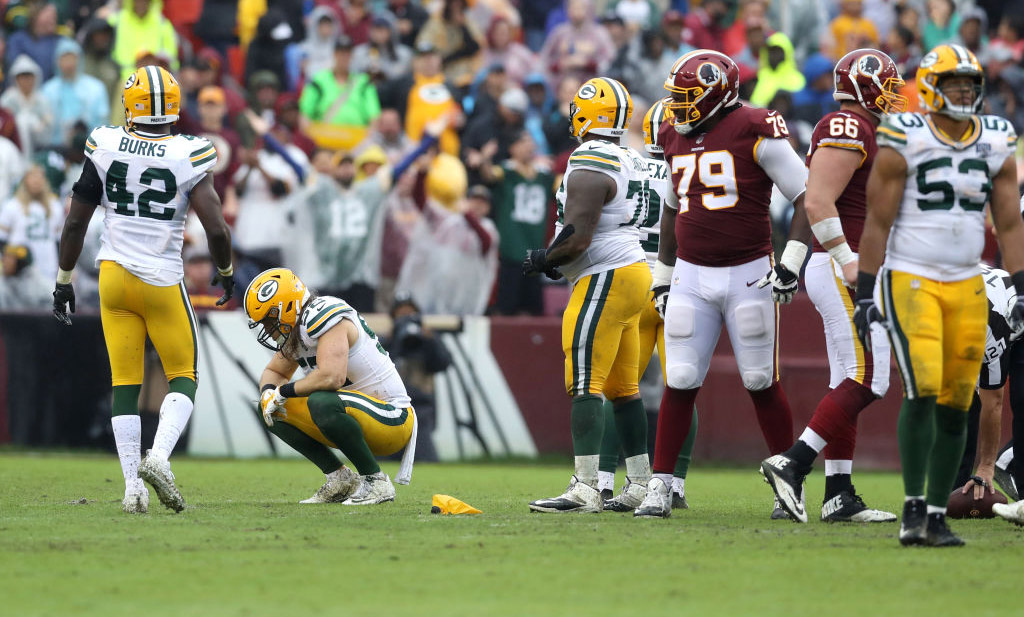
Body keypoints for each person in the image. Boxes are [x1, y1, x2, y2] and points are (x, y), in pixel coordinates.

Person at [854, 44, 1024, 547]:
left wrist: (1020, 280)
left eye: (971, 84)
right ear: (930, 87)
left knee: (956, 401)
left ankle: (934, 513)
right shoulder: (903, 132)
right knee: (924, 389)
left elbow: (1010, 220)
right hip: (912, 277)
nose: (965, 92)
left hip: (969, 279)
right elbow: (877, 220)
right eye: (955, 83)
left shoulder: (996, 138)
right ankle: (912, 510)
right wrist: (866, 292)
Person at [51, 65, 235, 515]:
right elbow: (216, 227)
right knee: (184, 377)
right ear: (174, 105)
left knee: (125, 385)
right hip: (161, 278)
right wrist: (226, 270)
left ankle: (133, 487)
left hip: (113, 276)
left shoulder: (106, 142)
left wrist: (63, 279)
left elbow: (76, 221)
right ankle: (159, 458)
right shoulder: (188, 151)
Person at [637, 50, 809, 519]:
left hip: (749, 269)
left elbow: (807, 195)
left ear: (717, 93)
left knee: (760, 381)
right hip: (691, 270)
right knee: (681, 378)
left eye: (687, 97)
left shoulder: (755, 125)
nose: (677, 107)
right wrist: (664, 272)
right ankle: (662, 484)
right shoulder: (672, 131)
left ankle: (787, 483)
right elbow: (672, 208)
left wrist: (792, 259)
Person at [760, 49, 907, 524]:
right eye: (885, 83)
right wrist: (848, 262)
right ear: (864, 86)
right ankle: (793, 463)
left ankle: (838, 493)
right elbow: (818, 201)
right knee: (870, 376)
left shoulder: (865, 129)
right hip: (843, 265)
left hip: (842, 264)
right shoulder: (848, 126)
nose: (893, 92)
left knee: (847, 375)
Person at [525, 77, 653, 513]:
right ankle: (640, 484)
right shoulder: (629, 156)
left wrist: (544, 258)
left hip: (605, 273)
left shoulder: (591, 156)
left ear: (587, 112)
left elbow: (578, 236)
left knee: (584, 382)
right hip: (633, 273)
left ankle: (585, 487)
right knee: (624, 387)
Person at [243, 268, 417, 505]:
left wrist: (282, 392)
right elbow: (273, 372)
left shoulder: (322, 313)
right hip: (354, 414)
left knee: (321, 401)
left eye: (269, 320)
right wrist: (268, 394)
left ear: (287, 307)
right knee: (269, 410)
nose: (268, 328)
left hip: (392, 417)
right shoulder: (297, 330)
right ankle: (340, 478)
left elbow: (331, 378)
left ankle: (376, 480)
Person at [600, 99, 697, 511]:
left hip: (639, 279)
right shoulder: (692, 169)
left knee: (620, 390)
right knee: (683, 388)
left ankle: (605, 477)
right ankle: (674, 483)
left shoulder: (632, 166)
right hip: (681, 283)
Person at [953, 265, 1023, 503]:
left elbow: (993, 401)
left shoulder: (987, 326)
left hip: (1014, 325)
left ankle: (1008, 462)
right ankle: (954, 486)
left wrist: (986, 466)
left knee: (1020, 398)